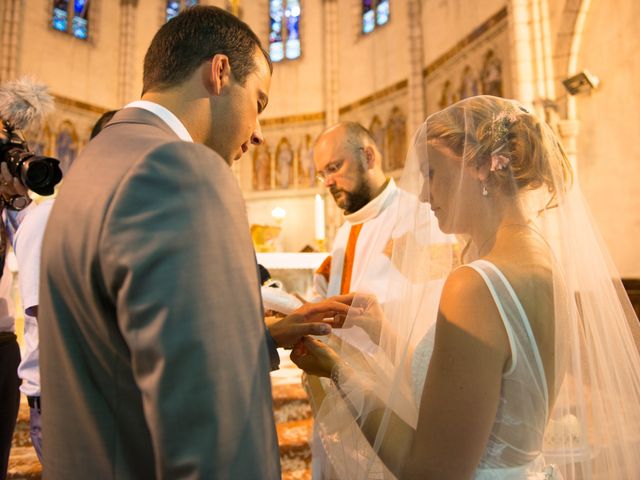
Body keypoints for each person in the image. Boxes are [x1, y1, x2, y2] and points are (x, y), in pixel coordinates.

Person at [38, 7, 348, 479]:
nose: (260, 133)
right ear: (220, 72)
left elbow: (125, 352)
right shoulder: (183, 172)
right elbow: (215, 436)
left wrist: (258, 336)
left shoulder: (94, 163)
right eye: (259, 103)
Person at [292, 95, 640, 479]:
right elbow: (469, 393)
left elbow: (427, 469)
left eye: (431, 173)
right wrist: (382, 328)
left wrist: (340, 370)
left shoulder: (475, 285)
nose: (423, 194)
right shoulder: (540, 258)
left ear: (478, 167)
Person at [308, 121, 452, 478]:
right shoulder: (345, 230)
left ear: (369, 156)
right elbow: (329, 294)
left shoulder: (420, 216)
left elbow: (423, 308)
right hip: (340, 384)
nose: (327, 181)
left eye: (334, 167)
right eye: (321, 173)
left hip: (391, 392)